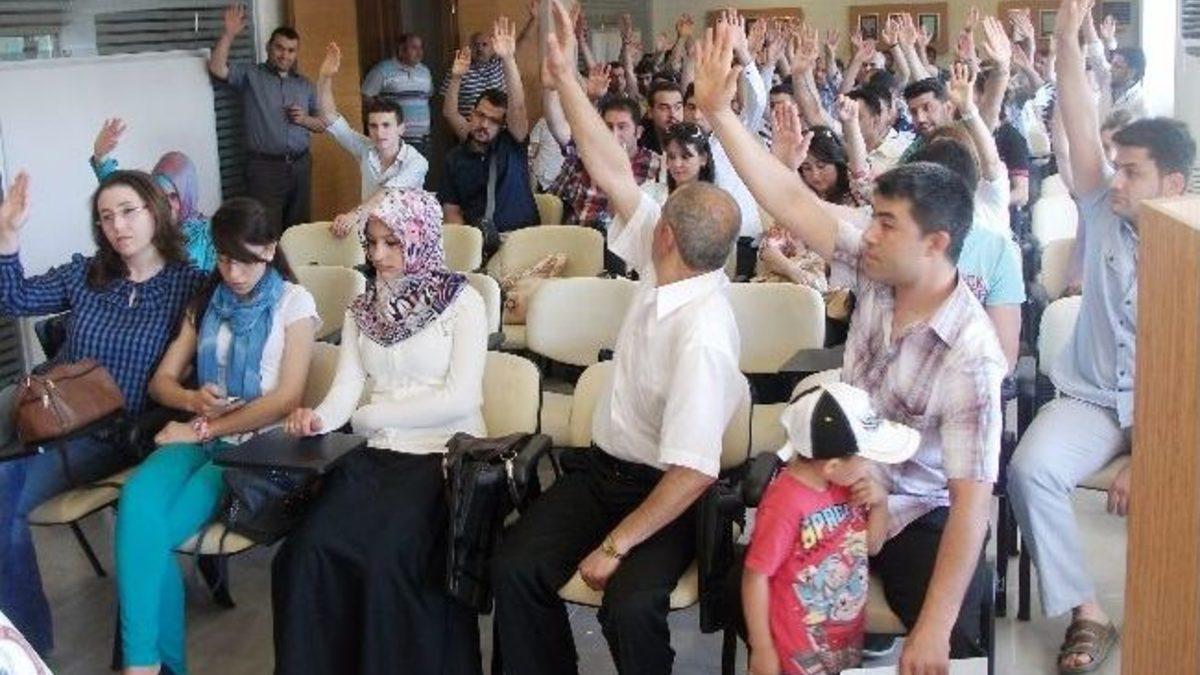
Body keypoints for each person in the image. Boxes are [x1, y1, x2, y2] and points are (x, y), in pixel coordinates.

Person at [695, 20, 1005, 673]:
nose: (869, 234)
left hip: (917, 505)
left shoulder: (971, 352)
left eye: (886, 223)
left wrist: (933, 631)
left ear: (935, 244)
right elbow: (790, 198)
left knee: (954, 620)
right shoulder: (878, 264)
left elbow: (971, 503)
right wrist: (719, 115)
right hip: (834, 474)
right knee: (738, 587)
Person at [491, 5, 749, 673]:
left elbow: (694, 471)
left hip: (668, 495)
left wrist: (616, 545)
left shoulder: (702, 334)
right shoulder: (673, 265)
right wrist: (564, 77)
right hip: (601, 473)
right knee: (515, 565)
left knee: (629, 605)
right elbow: (611, 170)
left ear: (666, 236)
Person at [1007, 1, 1196, 672]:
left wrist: (1149, 454)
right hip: (1089, 400)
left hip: (1170, 411)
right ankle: (1088, 611)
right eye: (1116, 166)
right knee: (1029, 469)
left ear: (1172, 183)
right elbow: (1081, 119)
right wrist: (1064, 38)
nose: (1115, 178)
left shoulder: (1191, 250)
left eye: (1131, 171)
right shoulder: (1103, 210)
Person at [272, 189, 486, 675]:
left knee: (388, 561)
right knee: (304, 553)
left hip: (444, 454)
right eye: (372, 243)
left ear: (421, 239)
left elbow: (461, 399)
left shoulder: (463, 302)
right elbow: (346, 388)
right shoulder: (362, 308)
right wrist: (319, 419)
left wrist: (372, 417)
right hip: (379, 453)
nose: (379, 255)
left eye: (393, 243)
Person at [0, 171, 204, 656]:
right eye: (106, 217)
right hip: (44, 408)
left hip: (109, 434)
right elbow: (14, 297)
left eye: (128, 212)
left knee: (2, 496)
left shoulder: (190, 287)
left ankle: (23, 649)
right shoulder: (88, 274)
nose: (118, 226)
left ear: (156, 211)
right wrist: (8, 234)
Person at [114, 197, 318, 675]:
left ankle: (146, 666)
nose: (234, 273)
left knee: (150, 536)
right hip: (200, 434)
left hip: (255, 449)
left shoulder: (294, 303)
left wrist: (203, 427)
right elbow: (161, 382)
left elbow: (286, 398)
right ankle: (148, 664)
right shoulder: (207, 301)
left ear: (270, 250)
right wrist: (193, 401)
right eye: (225, 260)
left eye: (245, 260)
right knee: (136, 502)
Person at [744, 383, 917, 675]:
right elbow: (755, 577)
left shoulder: (846, 486)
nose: (870, 467)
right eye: (865, 459)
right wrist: (761, 648)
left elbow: (871, 546)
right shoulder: (784, 505)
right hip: (798, 653)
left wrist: (880, 504)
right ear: (832, 466)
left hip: (845, 642)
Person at [209, 4, 325, 231]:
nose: (285, 55)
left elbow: (322, 125)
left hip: (300, 166)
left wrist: (305, 120)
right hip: (264, 169)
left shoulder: (304, 84)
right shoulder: (251, 74)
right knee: (265, 230)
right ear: (268, 47)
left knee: (300, 229)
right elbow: (216, 67)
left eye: (291, 50)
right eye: (279, 48)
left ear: (296, 53)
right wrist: (229, 33)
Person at [315, 42, 429, 238]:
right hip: (371, 232)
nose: (379, 132)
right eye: (373, 126)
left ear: (401, 128)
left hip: (406, 236)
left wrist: (353, 215)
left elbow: (386, 194)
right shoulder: (365, 147)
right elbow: (329, 117)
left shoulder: (417, 161)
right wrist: (324, 77)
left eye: (386, 125)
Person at [440, 17, 538, 239]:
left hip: (522, 239)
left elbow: (518, 107)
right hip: (479, 244)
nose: (484, 124)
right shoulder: (455, 158)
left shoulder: (513, 143)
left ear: (503, 125)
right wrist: (456, 78)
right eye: (481, 115)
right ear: (471, 114)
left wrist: (508, 59)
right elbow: (452, 213)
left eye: (494, 121)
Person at [90, 118, 218, 271]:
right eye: (160, 194)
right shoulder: (148, 222)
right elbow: (120, 192)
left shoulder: (208, 233)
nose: (166, 203)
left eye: (173, 196)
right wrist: (101, 156)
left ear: (188, 196)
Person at [361, 33, 434, 156]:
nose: (419, 52)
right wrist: (384, 114)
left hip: (423, 139)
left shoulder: (425, 71)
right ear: (401, 50)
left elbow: (427, 97)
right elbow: (365, 96)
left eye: (421, 48)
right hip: (395, 139)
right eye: (414, 48)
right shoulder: (382, 70)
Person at [640, 80, 685, 155]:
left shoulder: (694, 140)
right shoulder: (639, 144)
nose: (673, 114)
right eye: (664, 108)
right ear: (650, 112)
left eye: (677, 107)